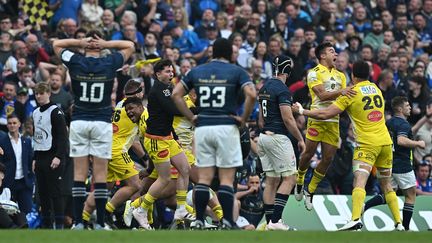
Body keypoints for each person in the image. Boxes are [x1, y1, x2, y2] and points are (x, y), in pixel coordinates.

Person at [293, 60, 404, 231]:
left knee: (359, 182)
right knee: (387, 185)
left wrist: (302, 111)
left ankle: (355, 219)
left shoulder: (351, 92)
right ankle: (399, 223)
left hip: (367, 144)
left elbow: (325, 113)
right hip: (386, 143)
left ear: (352, 75)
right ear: (369, 74)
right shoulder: (377, 90)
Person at [53, 30, 134, 229]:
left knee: (79, 174)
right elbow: (130, 45)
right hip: (101, 122)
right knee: (100, 175)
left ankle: (79, 223)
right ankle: (99, 223)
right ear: (98, 46)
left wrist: (80, 42)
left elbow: (56, 44)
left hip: (79, 120)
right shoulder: (109, 62)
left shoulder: (75, 60)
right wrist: (105, 44)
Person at [172, 38, 257, 229]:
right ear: (229, 54)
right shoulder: (237, 71)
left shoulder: (197, 71)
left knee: (204, 179)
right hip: (226, 127)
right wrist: (243, 118)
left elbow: (176, 94)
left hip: (203, 128)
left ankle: (199, 220)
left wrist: (191, 116)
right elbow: (252, 94)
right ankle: (227, 221)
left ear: (213, 52)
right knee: (226, 179)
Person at [125, 59, 192, 230]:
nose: (171, 74)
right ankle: (141, 208)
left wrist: (175, 136)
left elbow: (170, 114)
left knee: (185, 169)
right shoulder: (157, 91)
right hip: (156, 140)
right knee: (165, 178)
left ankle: (181, 209)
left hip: (167, 137)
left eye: (171, 71)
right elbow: (174, 110)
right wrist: (196, 112)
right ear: (158, 74)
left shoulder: (168, 88)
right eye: (167, 71)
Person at [295, 42, 355, 211]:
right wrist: (341, 92)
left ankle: (310, 189)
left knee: (328, 159)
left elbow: (344, 100)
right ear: (322, 56)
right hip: (316, 118)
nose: (335, 53)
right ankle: (299, 179)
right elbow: (321, 96)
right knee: (308, 154)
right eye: (331, 51)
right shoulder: (313, 73)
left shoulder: (341, 76)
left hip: (333, 121)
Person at [82, 79, 146, 229]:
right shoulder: (136, 109)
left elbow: (132, 138)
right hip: (117, 151)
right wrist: (146, 158)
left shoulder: (120, 105)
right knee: (136, 185)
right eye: (141, 91)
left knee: (104, 187)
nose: (143, 93)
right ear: (137, 94)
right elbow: (136, 141)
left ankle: (82, 219)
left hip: (106, 148)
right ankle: (107, 212)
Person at [256, 55, 305, 230]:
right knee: (290, 178)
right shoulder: (283, 90)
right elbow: (288, 119)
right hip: (277, 137)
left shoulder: (264, 87)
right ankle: (276, 221)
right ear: (288, 71)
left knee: (271, 180)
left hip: (263, 137)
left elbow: (260, 120)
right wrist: (300, 139)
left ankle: (270, 222)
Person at [364, 96, 425, 230]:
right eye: (407, 106)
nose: (410, 108)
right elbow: (401, 140)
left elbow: (405, 134)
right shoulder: (403, 124)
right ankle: (406, 227)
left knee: (388, 194)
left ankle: (364, 207)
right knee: (410, 195)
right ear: (400, 109)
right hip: (402, 164)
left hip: (388, 163)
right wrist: (418, 143)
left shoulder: (389, 123)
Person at [32, 82, 68, 229]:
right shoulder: (35, 112)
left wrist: (59, 156)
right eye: (37, 93)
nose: (39, 96)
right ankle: (46, 225)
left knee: (55, 193)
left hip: (53, 156)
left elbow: (62, 136)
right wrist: (34, 158)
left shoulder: (55, 111)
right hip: (40, 157)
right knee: (43, 194)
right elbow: (37, 136)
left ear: (48, 94)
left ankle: (59, 224)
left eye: (42, 93)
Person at [0, 114, 34, 215]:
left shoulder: (26, 141)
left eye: (14, 123)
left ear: (19, 124)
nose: (12, 125)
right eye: (10, 123)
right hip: (8, 183)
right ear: (7, 125)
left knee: (27, 211)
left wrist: (31, 178)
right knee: (8, 212)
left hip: (24, 182)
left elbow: (30, 161)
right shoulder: (2, 142)